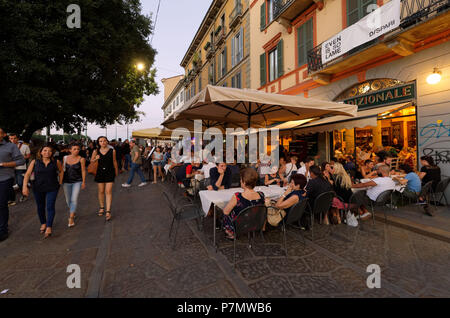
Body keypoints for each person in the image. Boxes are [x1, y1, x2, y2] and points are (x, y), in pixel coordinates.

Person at [23, 145, 63, 238]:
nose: (47, 152)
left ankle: (49, 227)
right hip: (38, 188)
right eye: (45, 150)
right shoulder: (35, 162)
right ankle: (43, 223)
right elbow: (28, 174)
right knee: (40, 207)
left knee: (50, 206)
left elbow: (61, 171)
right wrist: (24, 187)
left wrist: (60, 182)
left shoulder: (56, 162)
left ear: (52, 153)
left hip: (52, 187)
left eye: (49, 151)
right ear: (41, 152)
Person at [222, 168, 266, 240]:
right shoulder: (261, 195)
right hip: (255, 224)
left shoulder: (237, 196)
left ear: (244, 182)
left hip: (240, 226)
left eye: (241, 179)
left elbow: (225, 212)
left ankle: (231, 233)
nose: (240, 181)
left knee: (225, 213)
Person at [0, 128, 25, 242]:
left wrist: (4, 164)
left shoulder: (11, 146)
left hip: (5, 178)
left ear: (3, 135)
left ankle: (3, 230)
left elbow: (21, 161)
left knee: (1, 204)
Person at [91, 136, 118, 221]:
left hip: (110, 172)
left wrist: (116, 171)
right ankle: (102, 207)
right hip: (100, 172)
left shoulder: (112, 151)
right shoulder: (96, 151)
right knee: (101, 191)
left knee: (108, 191)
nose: (103, 142)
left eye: (104, 141)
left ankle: (108, 211)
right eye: (101, 141)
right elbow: (91, 161)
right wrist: (96, 158)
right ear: (98, 143)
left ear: (107, 142)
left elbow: (114, 161)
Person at [61, 143, 86, 228]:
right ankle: (73, 210)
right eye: (74, 149)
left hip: (77, 181)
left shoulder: (81, 159)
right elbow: (61, 171)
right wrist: (60, 181)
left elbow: (83, 171)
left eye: (78, 149)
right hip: (66, 182)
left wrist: (83, 181)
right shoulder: (65, 158)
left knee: (74, 199)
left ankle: (71, 218)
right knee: (68, 200)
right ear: (70, 150)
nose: (76, 151)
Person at [8, 133, 31, 203]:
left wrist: (21, 157)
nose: (13, 140)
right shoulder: (6, 147)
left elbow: (28, 155)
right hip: (9, 167)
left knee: (20, 183)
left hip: (21, 167)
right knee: (9, 184)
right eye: (11, 138)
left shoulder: (25, 146)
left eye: (14, 138)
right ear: (9, 139)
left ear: (17, 139)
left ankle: (24, 195)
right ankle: (11, 199)